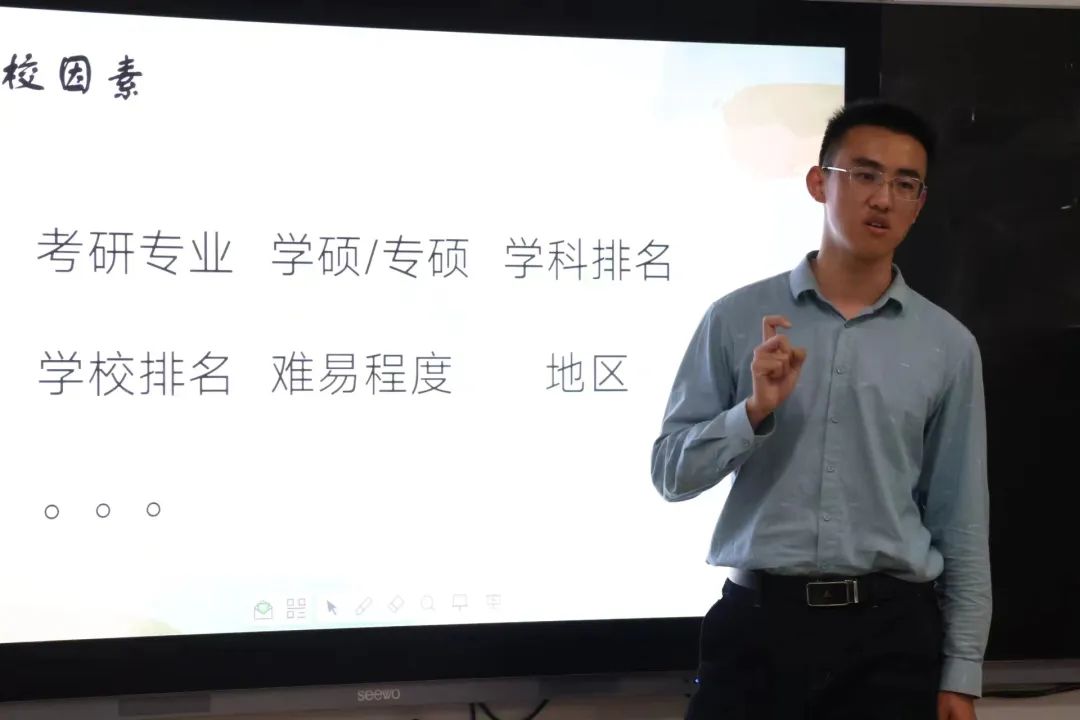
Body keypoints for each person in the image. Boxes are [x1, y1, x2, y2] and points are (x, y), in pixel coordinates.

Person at [651, 99, 991, 720]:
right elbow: (670, 475)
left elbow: (961, 520)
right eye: (864, 175)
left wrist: (962, 671)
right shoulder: (735, 318)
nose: (882, 198)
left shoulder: (948, 345)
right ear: (818, 183)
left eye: (905, 184)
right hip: (757, 632)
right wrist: (753, 411)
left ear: (919, 203)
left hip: (891, 640)